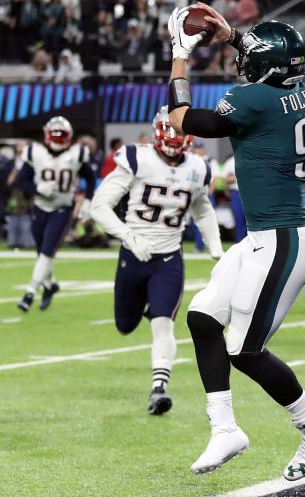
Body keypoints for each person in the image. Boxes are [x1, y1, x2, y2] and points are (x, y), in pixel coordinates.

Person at [166, 3, 305, 480]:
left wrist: (180, 53)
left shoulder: (253, 101)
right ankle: (225, 430)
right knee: (203, 319)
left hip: (285, 239)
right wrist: (233, 36)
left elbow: (180, 117)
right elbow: (278, 68)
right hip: (267, 236)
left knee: (244, 349)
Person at [91, 106, 223, 415]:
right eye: (170, 130)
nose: (175, 136)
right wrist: (127, 236)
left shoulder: (198, 167)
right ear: (157, 131)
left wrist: (216, 247)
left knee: (164, 324)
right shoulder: (137, 158)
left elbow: (202, 208)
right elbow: (99, 206)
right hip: (133, 255)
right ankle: (148, 307)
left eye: (180, 130)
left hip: (168, 258)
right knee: (125, 324)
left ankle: (159, 388)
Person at [15, 117, 92, 312]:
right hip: (40, 206)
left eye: (62, 135)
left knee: (47, 251)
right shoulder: (35, 152)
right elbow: (21, 182)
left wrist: (88, 201)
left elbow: (90, 178)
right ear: (47, 135)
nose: (58, 139)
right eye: (55, 135)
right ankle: (50, 285)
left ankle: (30, 292)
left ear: (70, 136)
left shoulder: (77, 154)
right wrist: (37, 188)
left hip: (63, 208)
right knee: (42, 252)